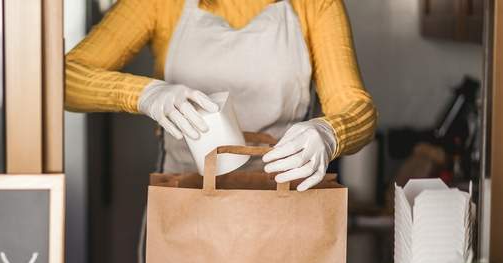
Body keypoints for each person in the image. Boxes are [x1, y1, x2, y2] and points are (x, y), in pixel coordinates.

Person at [65, 0, 377, 191]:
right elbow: (64, 79)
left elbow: (355, 107)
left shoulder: (315, 4)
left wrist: (328, 132)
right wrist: (146, 93)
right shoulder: (158, 3)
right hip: (183, 202)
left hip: (282, 202)